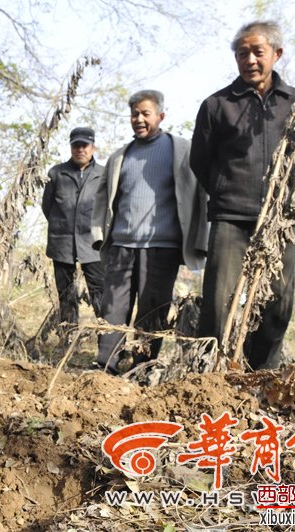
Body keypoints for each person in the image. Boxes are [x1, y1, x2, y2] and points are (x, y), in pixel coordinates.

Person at [190, 21, 295, 370]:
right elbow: (200, 161)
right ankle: (209, 375)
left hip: (280, 220)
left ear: (276, 54)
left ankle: (262, 373)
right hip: (230, 218)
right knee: (218, 301)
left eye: (257, 52)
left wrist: (284, 203)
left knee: (278, 301)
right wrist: (226, 192)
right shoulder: (217, 105)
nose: (249, 60)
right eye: (242, 53)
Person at [92, 90, 209, 372]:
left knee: (152, 310)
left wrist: (201, 238)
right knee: (113, 308)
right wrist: (99, 236)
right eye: (135, 114)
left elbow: (200, 194)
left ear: (161, 116)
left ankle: (142, 368)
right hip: (122, 245)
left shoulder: (182, 150)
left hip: (162, 247)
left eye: (146, 113)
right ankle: (106, 366)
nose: (139, 119)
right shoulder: (120, 156)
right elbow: (103, 198)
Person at [42, 127, 105, 327]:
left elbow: (109, 209)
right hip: (62, 244)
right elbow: (47, 207)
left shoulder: (104, 174)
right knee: (66, 295)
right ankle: (68, 337)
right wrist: (63, 226)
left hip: (94, 245)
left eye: (85, 145)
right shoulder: (56, 173)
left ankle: (106, 338)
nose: (80, 149)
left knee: (101, 293)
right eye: (76, 145)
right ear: (71, 147)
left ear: (93, 147)